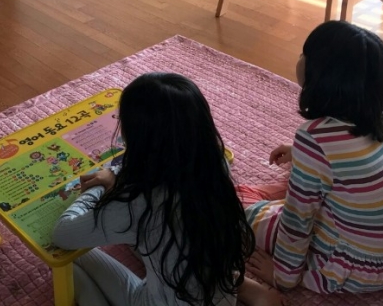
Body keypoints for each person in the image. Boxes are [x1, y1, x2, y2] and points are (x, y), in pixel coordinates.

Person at [242, 21, 383, 295]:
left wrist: (283, 276)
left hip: (362, 269)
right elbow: (356, 160)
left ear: (321, 77)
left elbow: (297, 222)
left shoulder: (313, 138)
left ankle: (277, 207)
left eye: (303, 54)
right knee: (378, 204)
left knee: (250, 213)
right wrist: (300, 155)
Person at [52, 72, 286, 306]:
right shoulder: (216, 164)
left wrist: (100, 185)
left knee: (68, 262)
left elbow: (63, 234)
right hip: (219, 293)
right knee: (168, 240)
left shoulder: (136, 203)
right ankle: (245, 288)